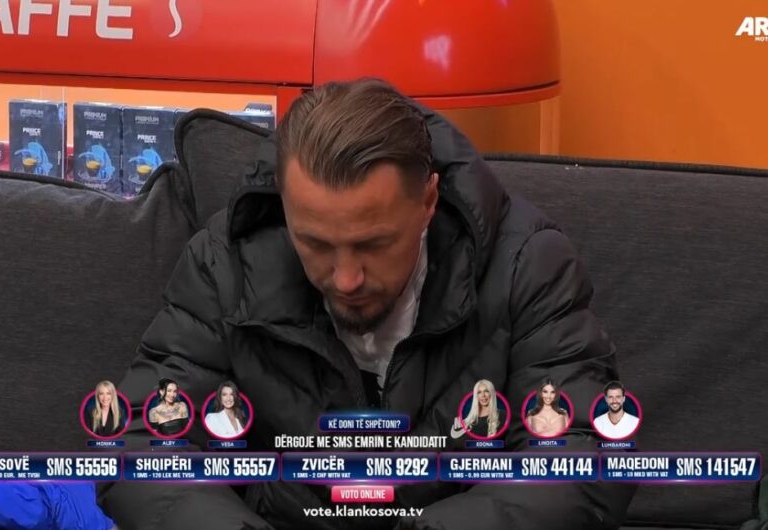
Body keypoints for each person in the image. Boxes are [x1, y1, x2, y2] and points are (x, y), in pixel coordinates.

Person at [101, 79, 634, 529]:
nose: (346, 279)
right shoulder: (224, 262)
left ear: (428, 202)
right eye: (315, 243)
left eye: (375, 244)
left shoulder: (527, 265)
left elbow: (580, 458)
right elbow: (138, 443)